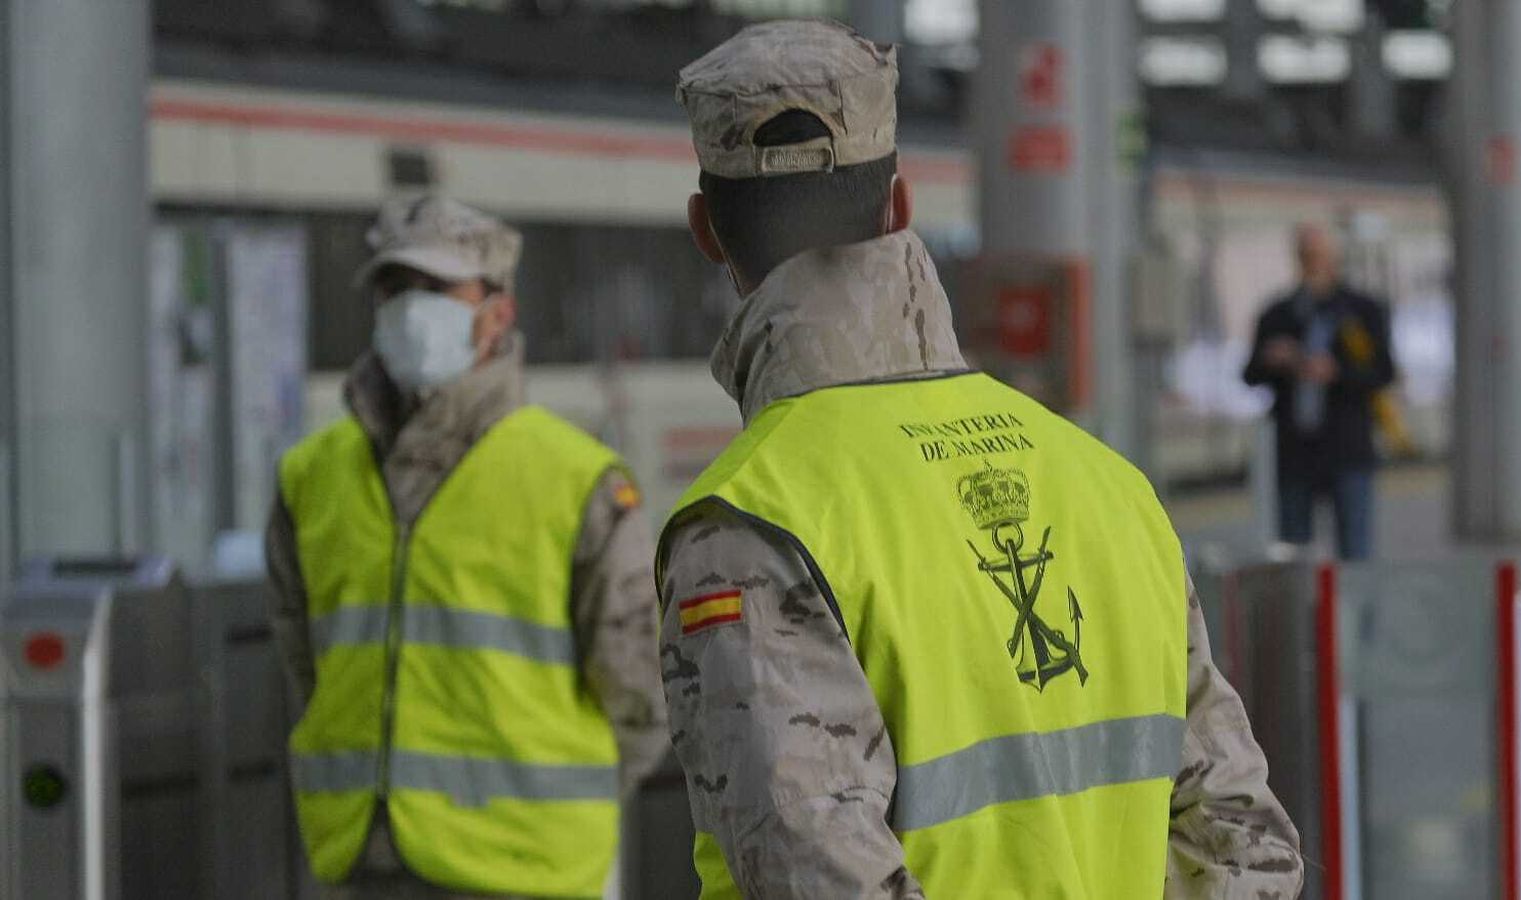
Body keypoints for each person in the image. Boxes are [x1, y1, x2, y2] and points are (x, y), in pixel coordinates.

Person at [655, 20, 1303, 899]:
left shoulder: (750, 526)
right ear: (901, 207)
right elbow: (1250, 844)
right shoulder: (1104, 483)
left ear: (705, 230)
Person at [267, 194, 669, 899]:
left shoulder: (577, 481)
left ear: (498, 313)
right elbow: (307, 664)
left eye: (436, 289)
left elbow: (641, 695)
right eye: (395, 288)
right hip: (360, 861)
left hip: (527, 873)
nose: (410, 309)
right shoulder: (311, 478)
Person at [1243, 223, 1397, 561]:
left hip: (1347, 447)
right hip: (1296, 451)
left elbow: (1384, 371)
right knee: (1294, 552)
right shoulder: (1279, 314)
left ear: (1334, 257)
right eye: (1306, 256)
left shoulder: (1361, 310)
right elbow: (1249, 374)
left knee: (1355, 553)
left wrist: (1336, 372)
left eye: (1319, 255)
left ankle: (1356, 615)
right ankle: (1302, 615)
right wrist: (1274, 360)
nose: (1313, 263)